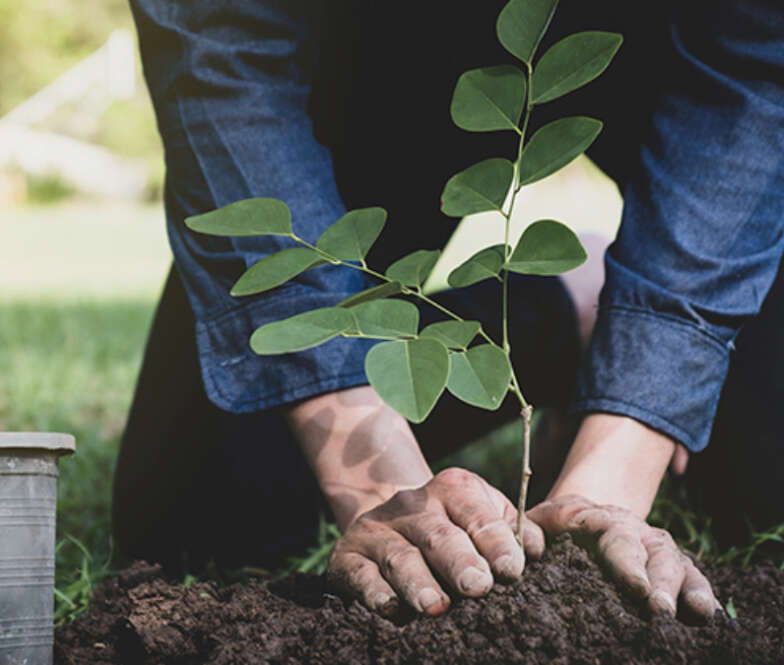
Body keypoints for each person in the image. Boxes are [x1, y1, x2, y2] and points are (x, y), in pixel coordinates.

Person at [113, 0, 784, 622]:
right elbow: (221, 55)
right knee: (204, 517)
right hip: (365, 52)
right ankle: (570, 303)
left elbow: (751, 74)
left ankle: (606, 347)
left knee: (763, 477)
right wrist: (378, 485)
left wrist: (613, 472)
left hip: (666, 42)